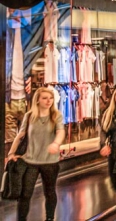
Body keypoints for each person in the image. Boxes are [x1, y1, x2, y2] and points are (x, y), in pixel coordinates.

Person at [7, 87, 65, 221]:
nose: (48, 101)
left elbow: (60, 131)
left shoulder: (56, 115)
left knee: (50, 192)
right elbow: (20, 136)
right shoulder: (29, 116)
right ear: (37, 100)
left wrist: (56, 143)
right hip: (30, 161)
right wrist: (11, 153)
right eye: (44, 98)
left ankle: (50, 218)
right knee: (25, 194)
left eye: (50, 98)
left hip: (50, 161)